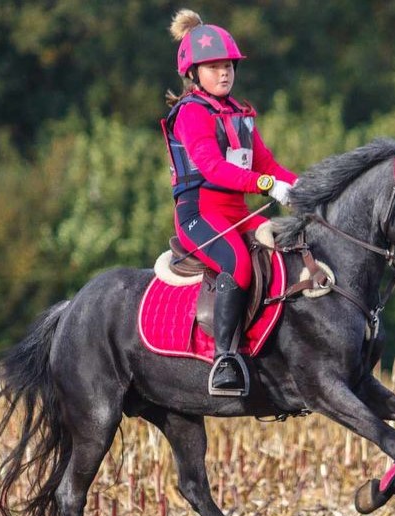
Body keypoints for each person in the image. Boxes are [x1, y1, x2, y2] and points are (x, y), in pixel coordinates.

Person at [161, 9, 297, 396]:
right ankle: (224, 359)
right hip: (199, 215)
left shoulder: (240, 113)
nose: (224, 73)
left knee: (288, 248)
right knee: (237, 262)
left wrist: (304, 188)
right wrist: (267, 185)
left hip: (238, 213)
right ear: (193, 73)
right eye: (214, 67)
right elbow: (213, 168)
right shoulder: (191, 113)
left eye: (228, 66)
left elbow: (267, 163)